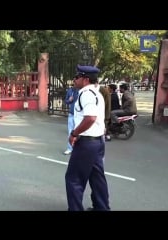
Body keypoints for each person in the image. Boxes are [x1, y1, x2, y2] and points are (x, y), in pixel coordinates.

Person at [65, 65, 110, 211]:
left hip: (86, 143)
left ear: (85, 79)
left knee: (74, 179)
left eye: (77, 77)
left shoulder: (87, 94)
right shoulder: (97, 93)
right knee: (97, 177)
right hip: (98, 142)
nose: (74, 79)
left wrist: (74, 133)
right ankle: (101, 207)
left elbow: (90, 118)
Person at [63, 82, 79, 155]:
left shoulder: (81, 91)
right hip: (71, 114)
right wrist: (69, 100)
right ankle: (69, 148)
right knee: (70, 132)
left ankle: (77, 149)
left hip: (79, 115)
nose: (75, 83)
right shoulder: (70, 91)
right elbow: (66, 101)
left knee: (78, 132)